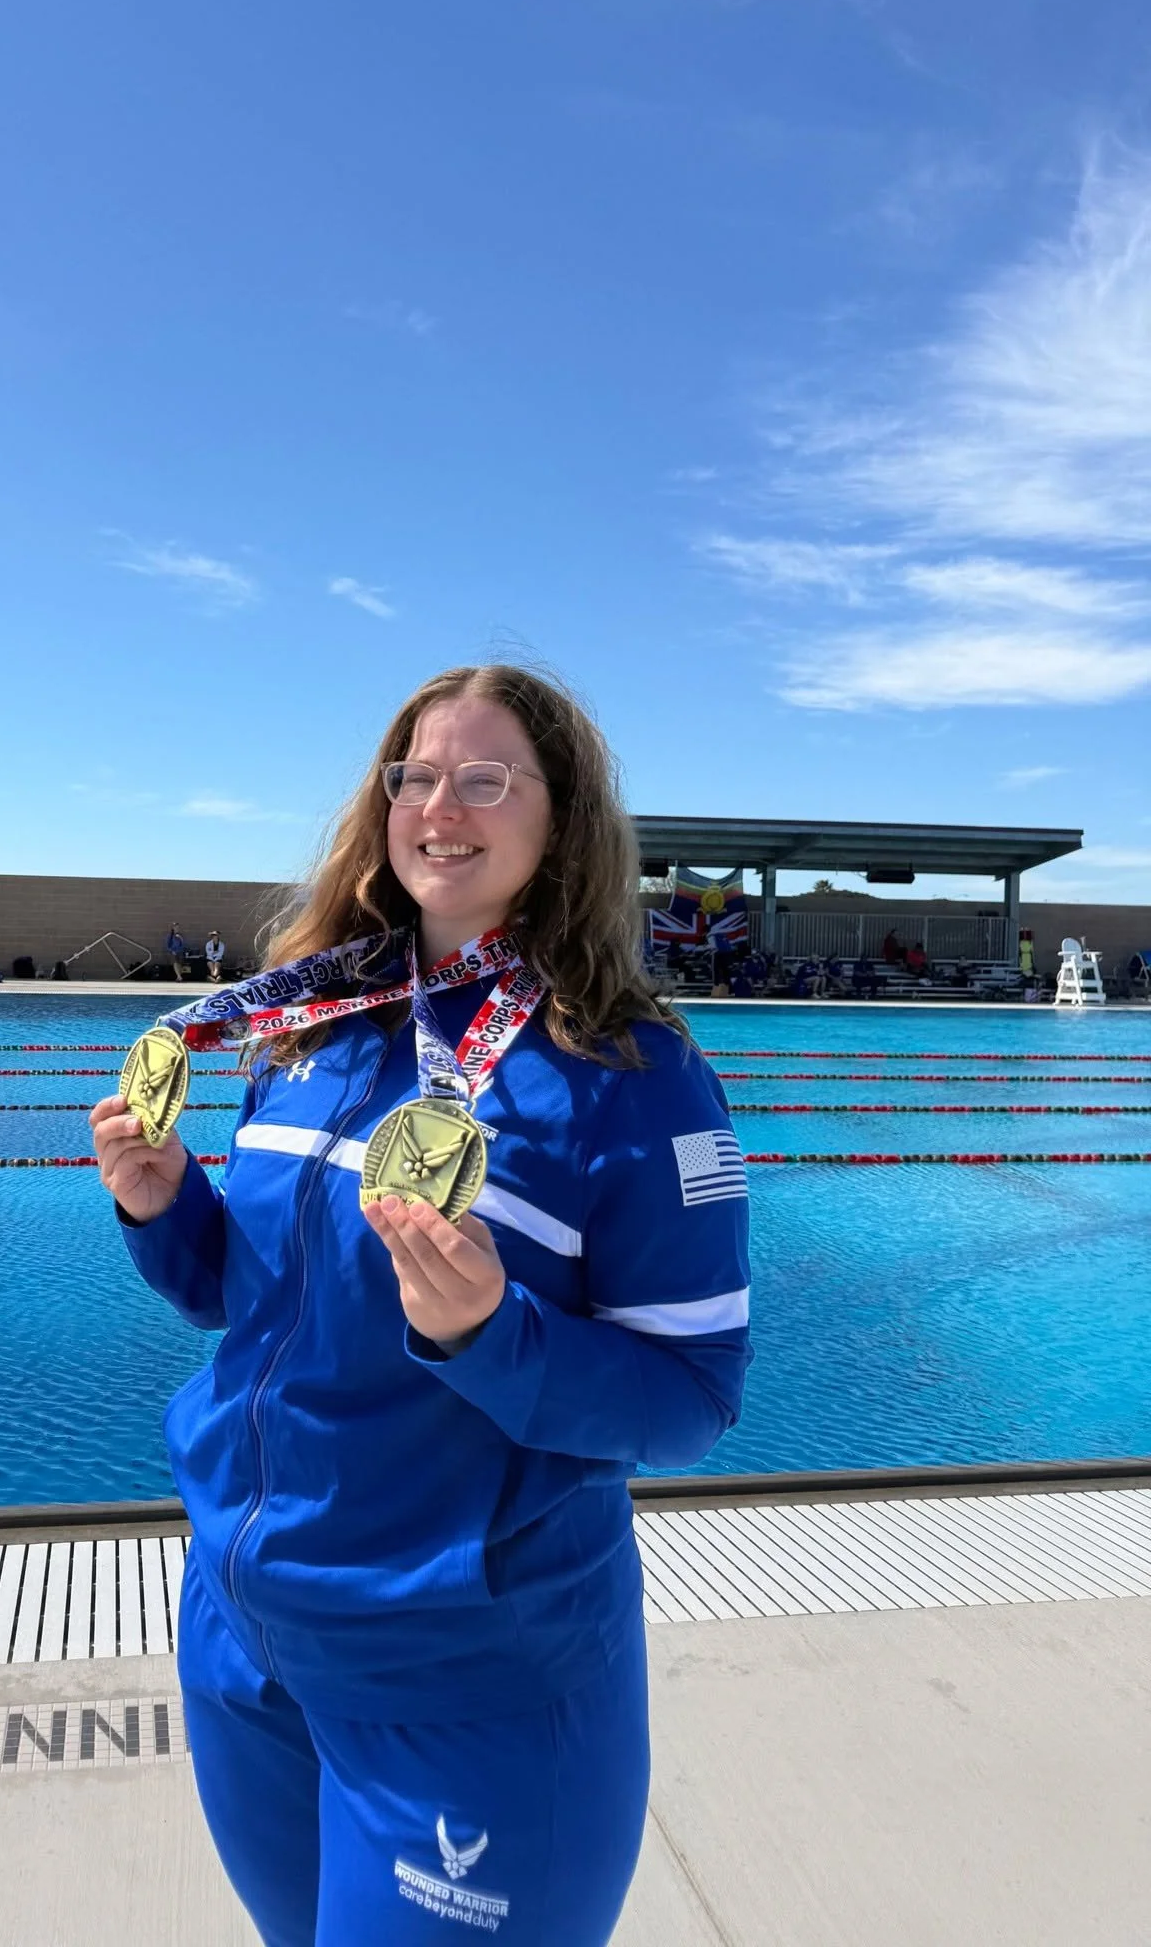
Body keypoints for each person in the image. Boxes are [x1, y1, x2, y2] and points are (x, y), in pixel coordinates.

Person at [90, 665, 751, 1947]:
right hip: (248, 1642)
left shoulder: (637, 1077)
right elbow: (248, 1304)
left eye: (488, 776)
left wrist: (489, 1334)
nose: (442, 804)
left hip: (469, 1681)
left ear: (562, 819)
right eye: (417, 774)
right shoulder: (312, 1028)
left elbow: (690, 1402)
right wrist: (165, 1204)